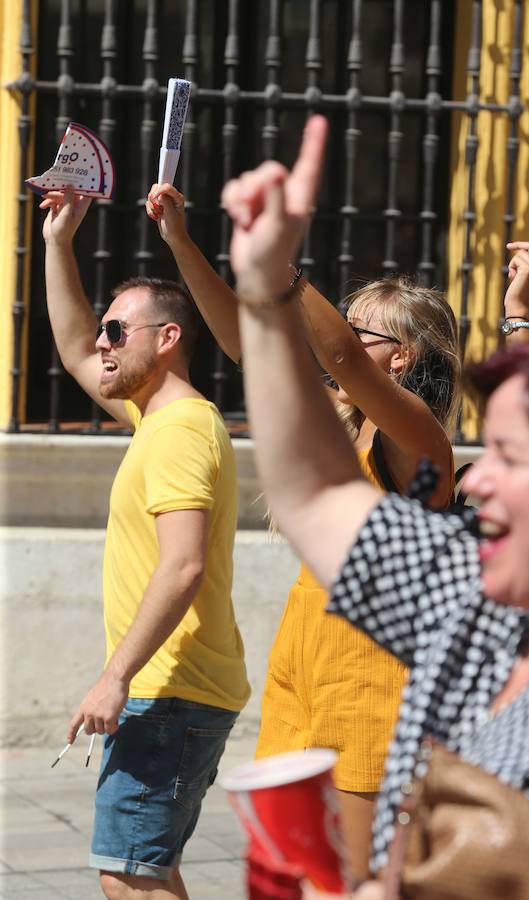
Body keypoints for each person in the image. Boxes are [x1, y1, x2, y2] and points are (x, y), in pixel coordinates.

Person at [220, 116, 529, 898]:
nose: (471, 481)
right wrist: (262, 277)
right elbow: (313, 492)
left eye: (509, 458)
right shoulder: (461, 598)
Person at [145, 174, 529, 881]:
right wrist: (182, 242)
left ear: (402, 357)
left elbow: (336, 352)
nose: (335, 334)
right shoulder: (342, 426)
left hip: (372, 698)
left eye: (357, 324)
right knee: (290, 883)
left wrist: (284, 269)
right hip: (303, 681)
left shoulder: (419, 441)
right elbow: (246, 343)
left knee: (353, 887)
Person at [40, 186, 250, 900]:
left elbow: (184, 564)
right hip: (176, 693)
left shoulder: (182, 430)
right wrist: (58, 243)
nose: (102, 341)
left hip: (169, 693)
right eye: (104, 329)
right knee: (147, 868)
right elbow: (73, 352)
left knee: (128, 878)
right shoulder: (158, 422)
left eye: (116, 331)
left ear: (166, 339)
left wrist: (115, 676)